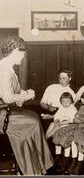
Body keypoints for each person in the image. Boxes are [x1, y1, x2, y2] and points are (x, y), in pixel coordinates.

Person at [0, 37, 54, 175]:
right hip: (2, 114)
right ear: (16, 50)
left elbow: (13, 95)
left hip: (6, 110)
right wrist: (27, 96)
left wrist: (25, 94)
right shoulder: (3, 69)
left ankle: (35, 165)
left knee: (34, 117)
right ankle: (31, 168)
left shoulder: (9, 69)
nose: (23, 57)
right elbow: (8, 97)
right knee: (32, 121)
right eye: (23, 54)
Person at [52, 89, 84, 175]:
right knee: (64, 134)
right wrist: (81, 119)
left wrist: (80, 118)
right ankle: (71, 161)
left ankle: (78, 163)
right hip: (77, 126)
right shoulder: (82, 107)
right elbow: (74, 119)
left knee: (77, 140)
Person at [45, 92, 77, 168]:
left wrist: (61, 123)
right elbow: (57, 116)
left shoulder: (73, 109)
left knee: (64, 141)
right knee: (56, 139)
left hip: (69, 126)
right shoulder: (61, 108)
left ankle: (65, 161)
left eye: (68, 101)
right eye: (63, 101)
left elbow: (72, 120)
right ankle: (58, 157)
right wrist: (57, 120)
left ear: (71, 101)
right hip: (60, 125)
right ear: (61, 102)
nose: (65, 103)